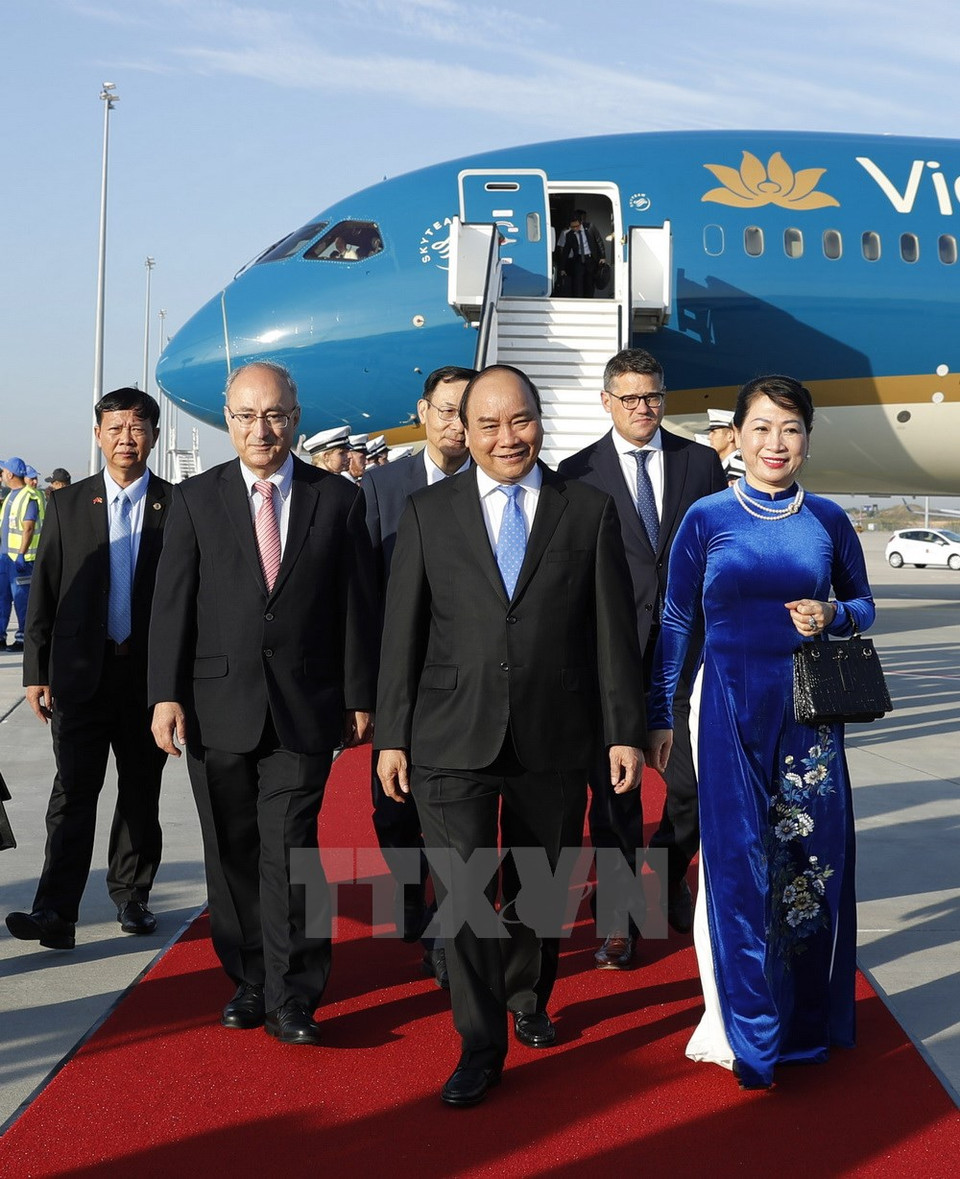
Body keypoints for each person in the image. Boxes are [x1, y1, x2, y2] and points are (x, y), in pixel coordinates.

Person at [375, 364, 645, 1107]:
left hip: (555, 731)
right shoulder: (429, 512)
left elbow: (612, 635)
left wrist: (623, 729)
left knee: (541, 883)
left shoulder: (585, 510)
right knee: (463, 890)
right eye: (487, 423)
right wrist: (390, 733)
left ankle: (528, 992)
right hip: (448, 733)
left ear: (540, 419)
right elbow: (401, 633)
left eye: (518, 420)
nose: (505, 437)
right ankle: (479, 1041)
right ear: (464, 427)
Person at [646, 374, 876, 1090]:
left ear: (807, 440)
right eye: (763, 428)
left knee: (812, 868)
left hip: (811, 722)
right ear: (737, 437)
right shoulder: (706, 518)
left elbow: (865, 605)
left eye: (792, 429)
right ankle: (750, 1031)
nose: (777, 443)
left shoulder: (829, 520)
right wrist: (659, 712)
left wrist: (832, 616)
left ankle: (807, 1023)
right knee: (741, 871)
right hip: (729, 713)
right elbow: (677, 619)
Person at [149, 360, 377, 1047]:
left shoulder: (336, 500)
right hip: (216, 705)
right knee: (233, 851)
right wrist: (163, 694)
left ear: (295, 417)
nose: (261, 428)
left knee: (293, 850)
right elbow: (171, 607)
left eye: (273, 414)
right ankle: (249, 977)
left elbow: (357, 607)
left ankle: (294, 995)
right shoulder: (194, 499)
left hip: (306, 707)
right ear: (227, 419)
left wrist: (360, 693)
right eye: (246, 415)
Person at [558, 349, 726, 968]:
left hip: (687, 654)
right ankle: (621, 920)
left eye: (652, 395)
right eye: (629, 398)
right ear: (606, 401)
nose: (642, 408)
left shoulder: (700, 462)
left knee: (692, 787)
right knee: (614, 796)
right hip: (613, 657)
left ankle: (671, 862)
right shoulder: (576, 472)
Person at [5, 390, 170, 950]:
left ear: (153, 434)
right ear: (97, 434)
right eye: (116, 427)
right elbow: (45, 589)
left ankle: (133, 896)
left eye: (138, 426)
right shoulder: (69, 504)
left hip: (147, 678)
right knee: (72, 793)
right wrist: (36, 668)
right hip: (79, 675)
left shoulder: (177, 505)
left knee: (140, 791)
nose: (127, 437)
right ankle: (55, 912)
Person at [362, 365, 476, 988]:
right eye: (447, 409)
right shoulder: (381, 487)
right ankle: (408, 891)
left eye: (468, 410)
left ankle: (445, 923)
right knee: (391, 809)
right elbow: (359, 590)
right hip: (398, 679)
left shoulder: (497, 484)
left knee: (459, 811)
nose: (457, 423)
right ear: (423, 411)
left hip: (470, 682)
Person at [0, 457, 44, 653]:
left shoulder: (28, 497)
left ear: (9, 474)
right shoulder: (10, 496)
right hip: (5, 558)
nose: (1, 475)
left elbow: (28, 528)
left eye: (2, 472)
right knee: (2, 598)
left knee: (22, 601)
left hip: (22, 561)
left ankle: (23, 638)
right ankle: (1, 636)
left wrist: (21, 553)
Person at [559, 211, 606, 298]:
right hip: (578, 260)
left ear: (581, 222)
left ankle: (589, 301)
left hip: (590, 259)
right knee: (578, 283)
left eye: (577, 226)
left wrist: (603, 256)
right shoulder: (569, 235)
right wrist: (562, 268)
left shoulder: (590, 227)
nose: (575, 228)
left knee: (590, 282)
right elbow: (565, 251)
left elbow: (599, 241)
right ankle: (579, 301)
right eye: (572, 227)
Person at [704, 408, 746, 484]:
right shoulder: (726, 465)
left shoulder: (737, 467)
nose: (709, 437)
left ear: (730, 435)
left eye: (714, 432)